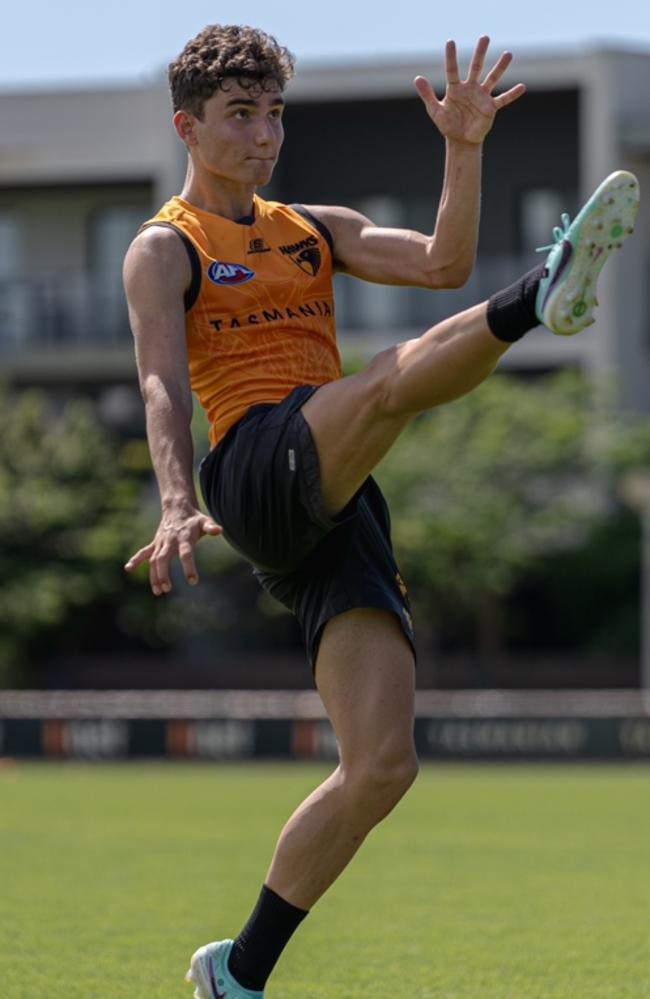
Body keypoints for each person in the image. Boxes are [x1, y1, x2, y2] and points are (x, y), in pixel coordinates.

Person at [123, 23, 639, 999]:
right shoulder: (163, 248)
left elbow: (444, 264)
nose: (262, 135)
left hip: (332, 491)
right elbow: (156, 383)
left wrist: (461, 146)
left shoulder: (311, 228)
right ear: (187, 127)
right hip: (250, 464)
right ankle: (541, 293)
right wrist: (175, 500)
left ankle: (235, 971)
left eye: (273, 113)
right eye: (239, 115)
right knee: (383, 383)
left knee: (382, 768)